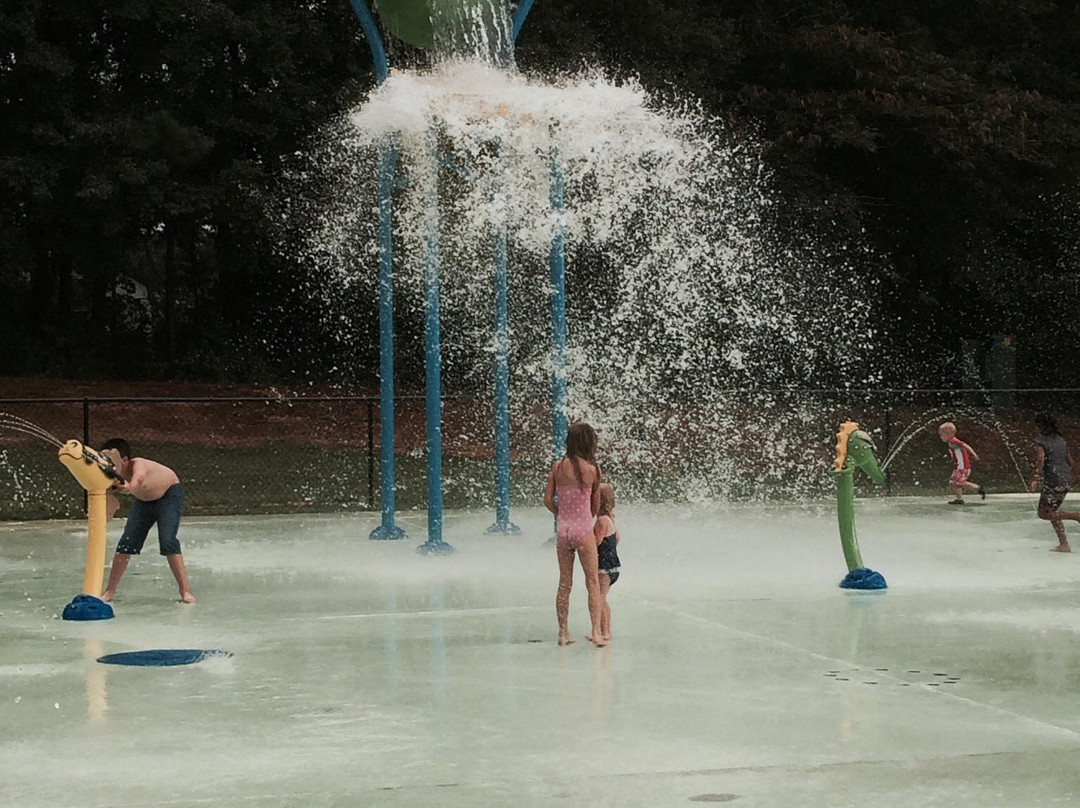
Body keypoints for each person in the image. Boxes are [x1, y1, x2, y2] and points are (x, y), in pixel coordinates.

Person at [99, 438, 196, 603]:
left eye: (112, 461)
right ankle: (110, 591)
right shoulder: (110, 473)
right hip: (144, 502)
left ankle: (185, 591)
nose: (109, 466)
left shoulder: (138, 464)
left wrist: (129, 487)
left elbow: (139, 478)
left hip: (168, 495)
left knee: (167, 540)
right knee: (126, 542)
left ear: (124, 461)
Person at [544, 422, 604, 647]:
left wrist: (562, 514)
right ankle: (596, 632)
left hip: (563, 529)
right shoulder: (593, 470)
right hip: (583, 528)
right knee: (592, 581)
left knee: (564, 583)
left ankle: (563, 632)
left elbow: (547, 500)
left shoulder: (557, 467)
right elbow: (595, 506)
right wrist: (584, 520)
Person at [1028, 414, 1080, 553]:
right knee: (1053, 512)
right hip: (1064, 479)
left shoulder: (1041, 441)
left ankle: (1075, 515)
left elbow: (1040, 459)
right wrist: (1070, 478)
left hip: (1053, 480)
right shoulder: (1061, 440)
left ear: (1041, 426)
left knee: (1044, 513)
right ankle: (1064, 544)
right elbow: (1071, 462)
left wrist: (1035, 478)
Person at [593, 483, 621, 644]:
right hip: (613, 565)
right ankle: (604, 630)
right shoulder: (610, 520)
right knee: (602, 598)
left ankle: (604, 631)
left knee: (599, 598)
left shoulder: (601, 521)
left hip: (604, 566)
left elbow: (596, 542)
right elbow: (617, 538)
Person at [938, 422, 985, 505]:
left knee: (957, 482)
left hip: (962, 467)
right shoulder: (952, 442)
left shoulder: (953, 441)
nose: (940, 437)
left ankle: (977, 488)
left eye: (941, 434)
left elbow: (965, 446)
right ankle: (959, 499)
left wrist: (974, 454)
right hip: (959, 466)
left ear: (947, 434)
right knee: (954, 482)